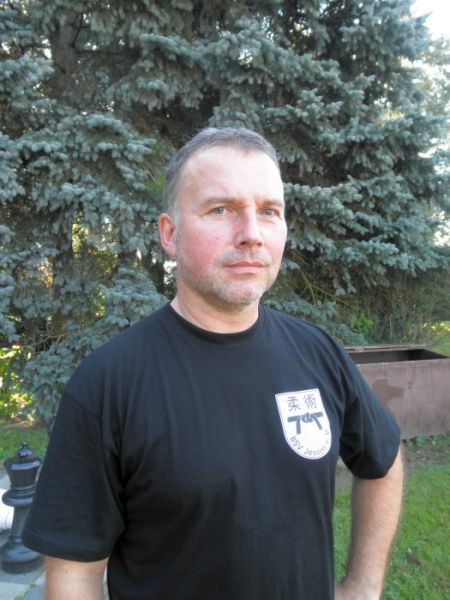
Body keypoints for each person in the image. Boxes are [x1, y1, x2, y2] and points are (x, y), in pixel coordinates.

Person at [23, 127, 403, 600]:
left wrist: (362, 588)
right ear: (170, 233)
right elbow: (74, 576)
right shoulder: (107, 384)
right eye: (221, 210)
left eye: (269, 211)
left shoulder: (318, 352)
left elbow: (383, 459)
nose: (251, 235)